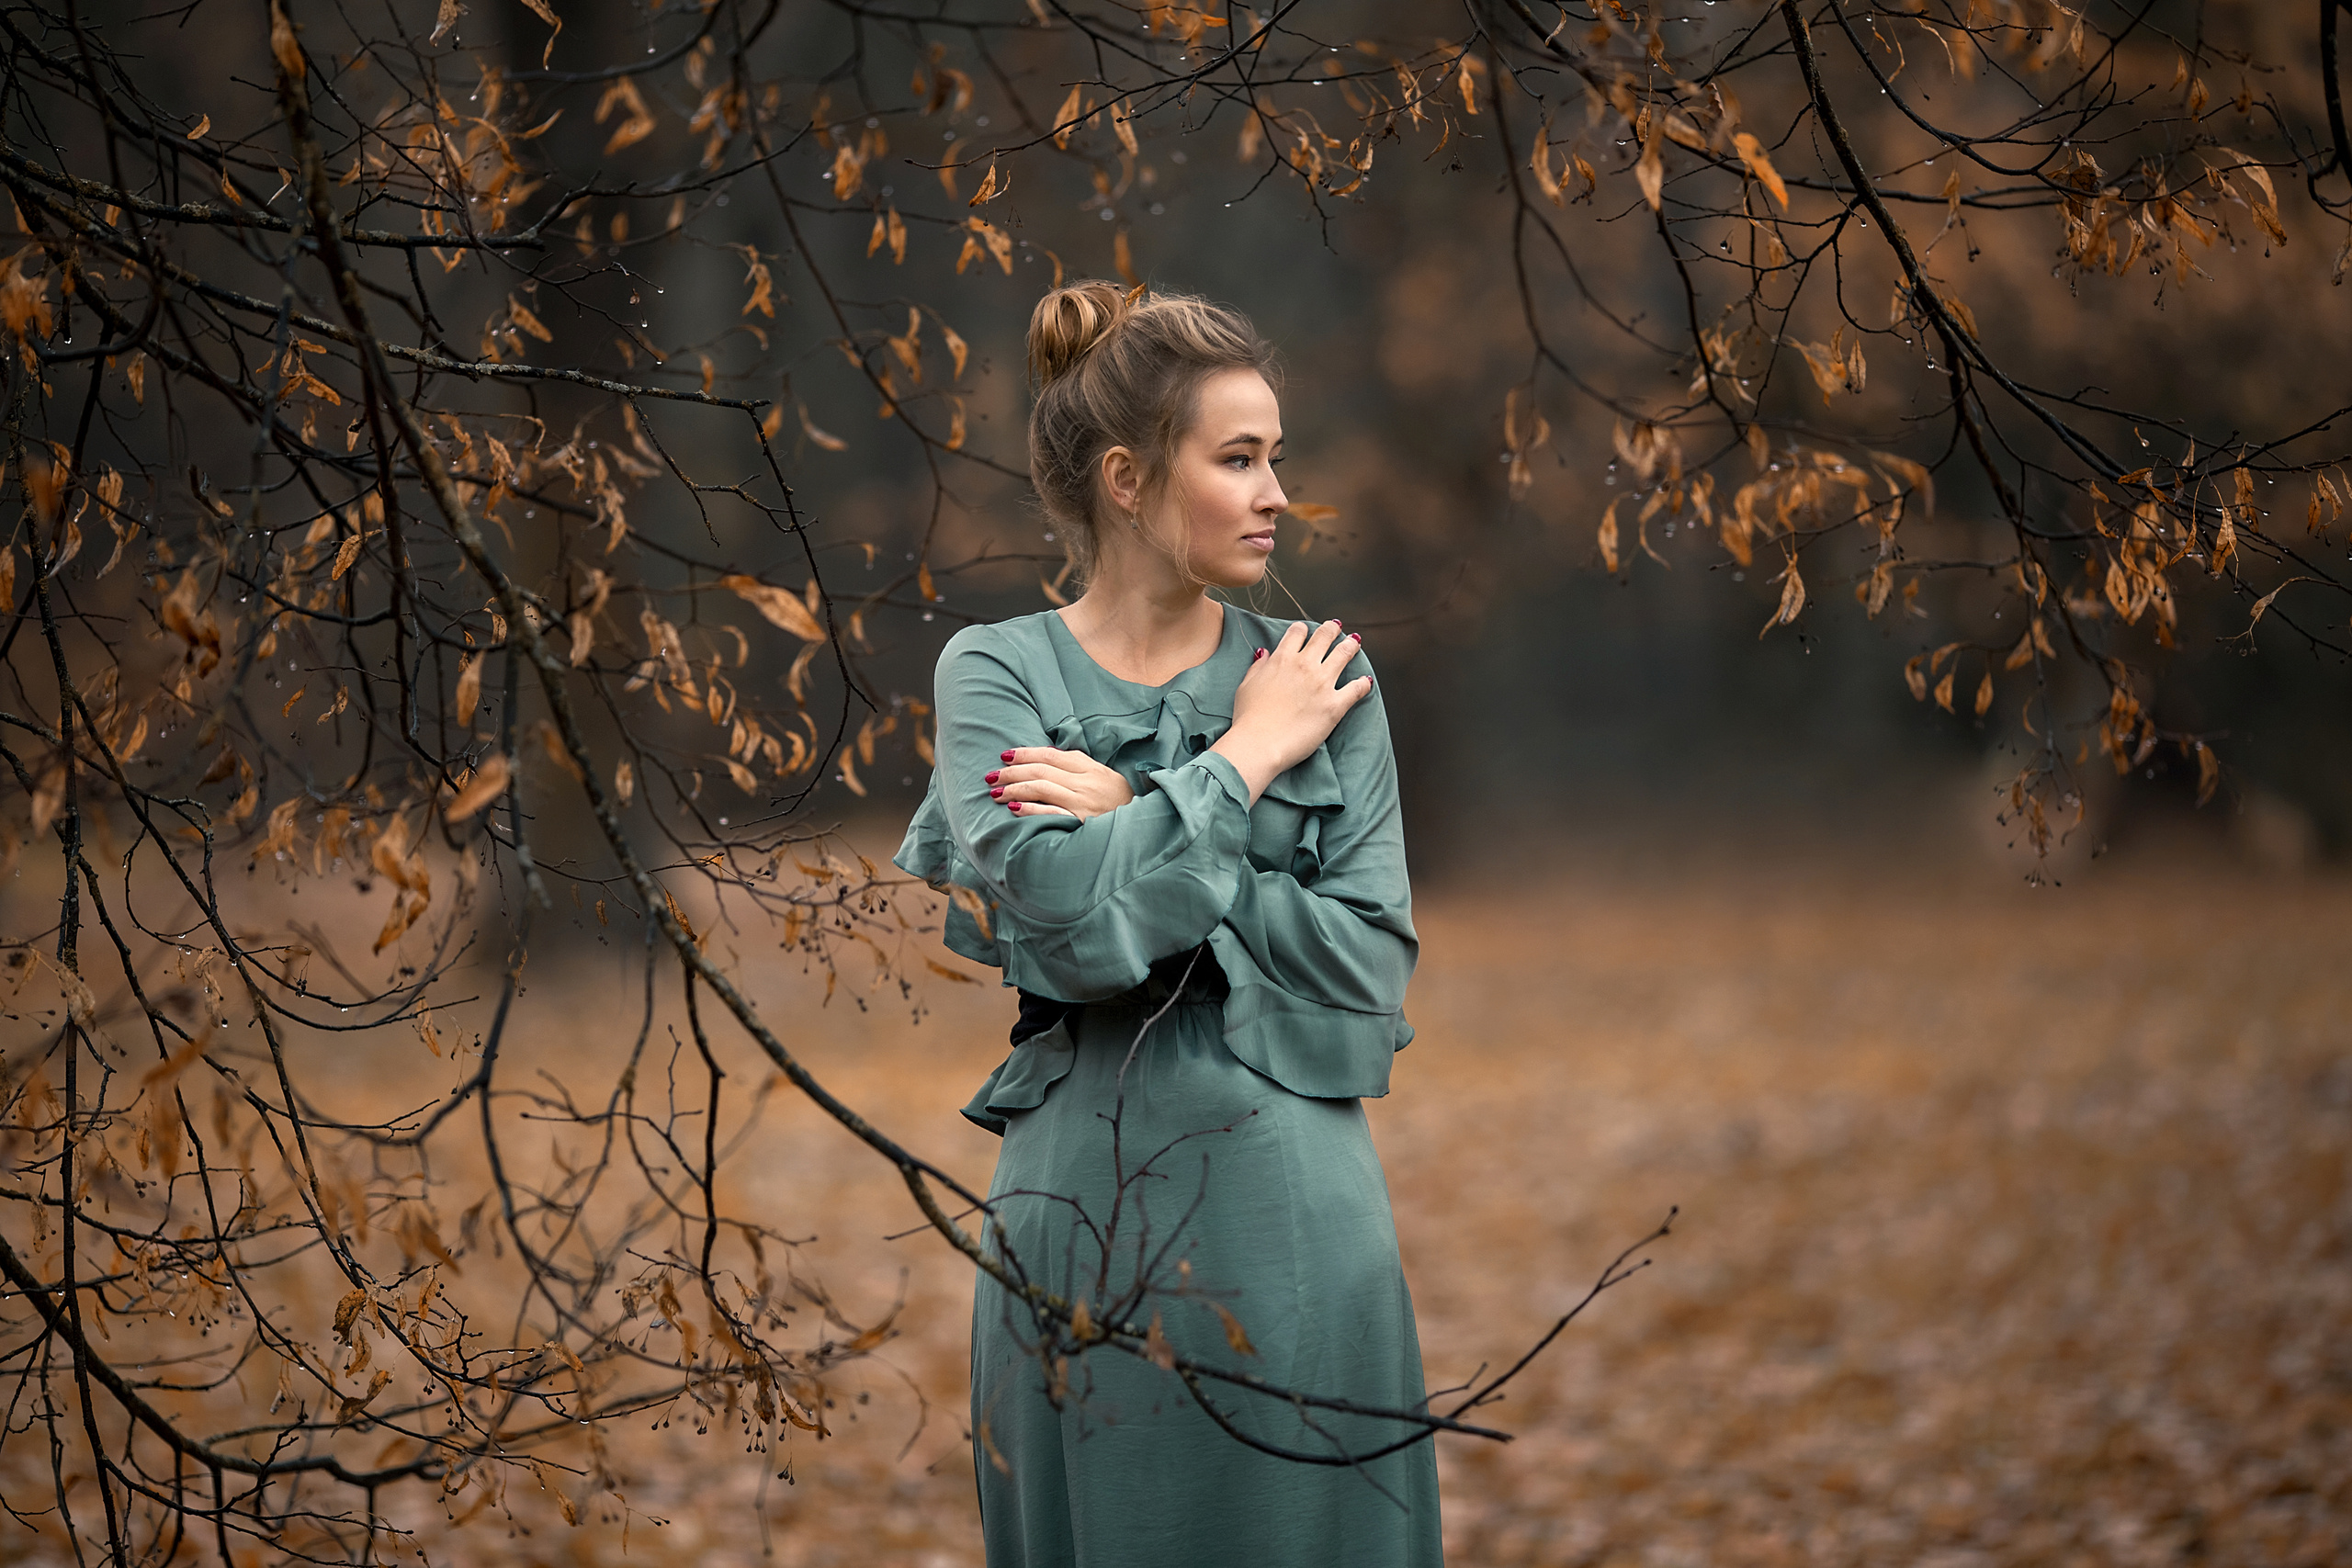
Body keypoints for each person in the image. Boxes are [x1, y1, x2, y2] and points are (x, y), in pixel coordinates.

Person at [896, 279, 1442, 1567]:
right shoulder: (999, 672)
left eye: (1278, 460)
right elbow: (1069, 927)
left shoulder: (1322, 681)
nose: (1274, 495)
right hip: (1082, 1206)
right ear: (1131, 478)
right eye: (1238, 459)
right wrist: (1239, 768)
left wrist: (1141, 812)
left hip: (1297, 1211)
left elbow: (1366, 964)